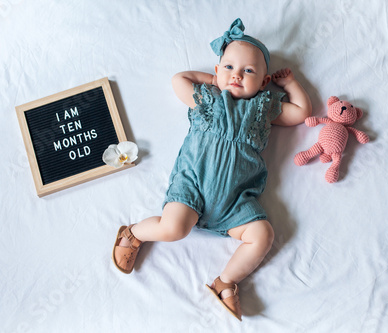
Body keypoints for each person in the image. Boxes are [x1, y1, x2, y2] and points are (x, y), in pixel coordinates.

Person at [111, 18, 312, 321]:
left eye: (249, 71)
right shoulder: (208, 100)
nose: (237, 75)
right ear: (217, 72)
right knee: (174, 228)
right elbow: (179, 79)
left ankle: (225, 282)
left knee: (263, 234)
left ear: (264, 81)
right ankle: (134, 232)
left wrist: (291, 84)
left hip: (235, 203)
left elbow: (300, 112)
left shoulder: (262, 108)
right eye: (229, 67)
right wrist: (214, 80)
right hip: (192, 186)